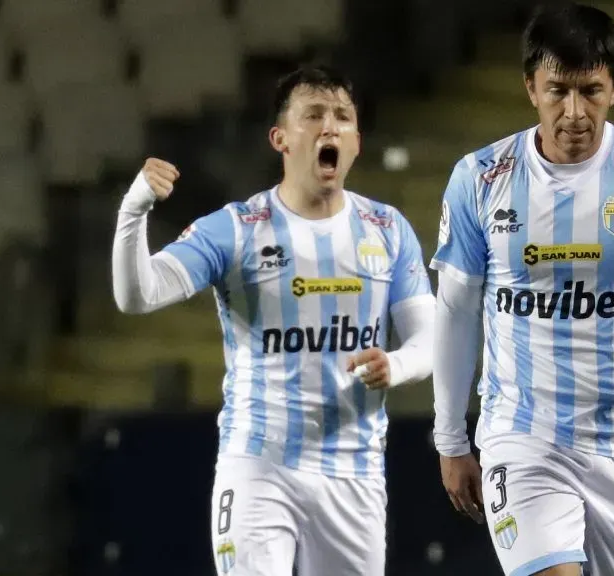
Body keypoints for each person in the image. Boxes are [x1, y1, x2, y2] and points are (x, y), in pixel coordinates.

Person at [429, 3, 614, 575]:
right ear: (530, 88)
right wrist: (450, 437)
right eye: (557, 90)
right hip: (522, 432)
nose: (574, 112)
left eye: (590, 90)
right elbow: (457, 312)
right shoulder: (481, 179)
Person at [111, 65, 435, 576]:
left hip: (354, 475)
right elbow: (138, 295)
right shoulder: (237, 229)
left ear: (356, 142)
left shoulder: (387, 230)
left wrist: (395, 364)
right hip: (260, 467)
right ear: (280, 139)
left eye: (343, 118)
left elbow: (427, 341)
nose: (330, 127)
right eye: (314, 115)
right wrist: (135, 210)